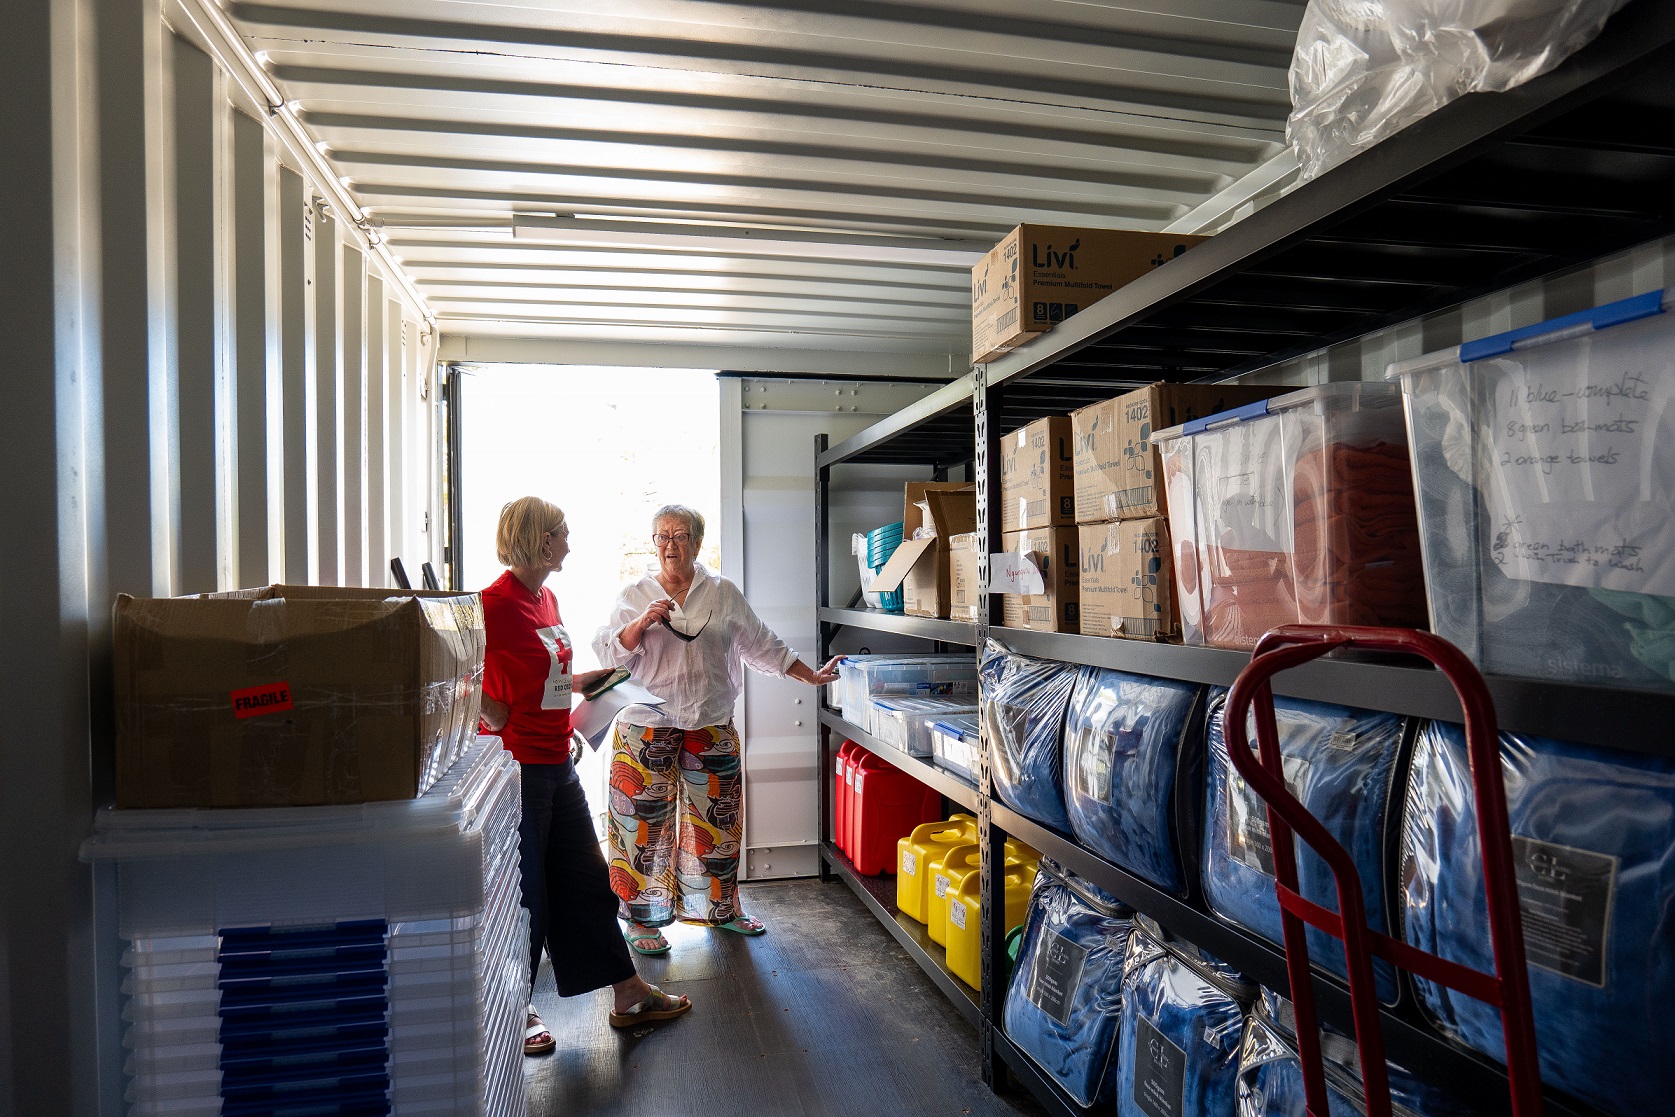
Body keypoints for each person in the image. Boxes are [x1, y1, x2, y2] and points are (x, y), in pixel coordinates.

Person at [477, 496, 691, 1055]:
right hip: (519, 770)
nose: (569, 543)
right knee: (528, 897)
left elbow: (548, 676)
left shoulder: (544, 597)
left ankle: (627, 993)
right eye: (563, 534)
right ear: (543, 541)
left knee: (587, 882)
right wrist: (495, 715)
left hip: (555, 760)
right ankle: (513, 1010)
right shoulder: (494, 605)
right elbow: (464, 677)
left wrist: (594, 686)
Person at [594, 504, 841, 955]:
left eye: (681, 535)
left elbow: (763, 643)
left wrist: (813, 676)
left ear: (697, 542)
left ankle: (721, 909)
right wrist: (642, 621)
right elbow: (611, 656)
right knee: (641, 827)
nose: (671, 545)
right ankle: (641, 919)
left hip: (710, 723)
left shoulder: (722, 592)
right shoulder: (635, 592)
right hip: (646, 726)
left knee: (718, 823)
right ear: (654, 544)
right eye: (662, 536)